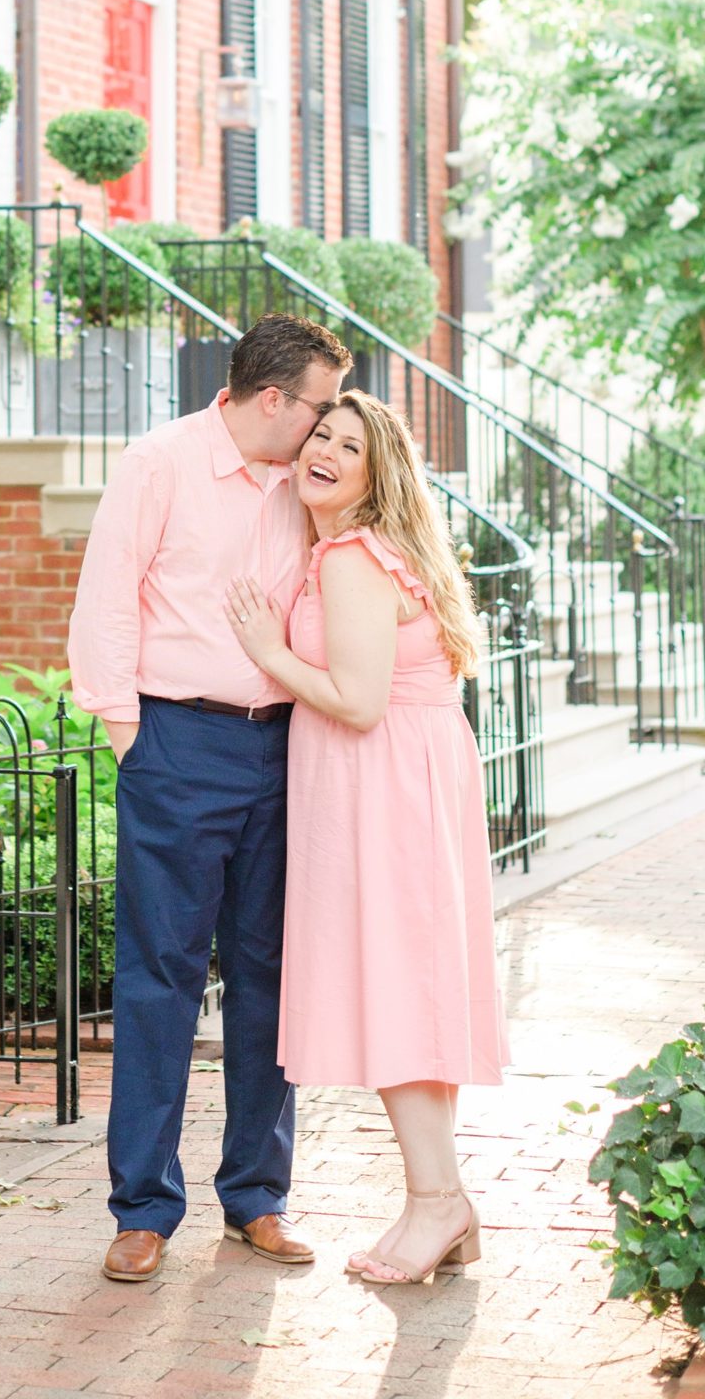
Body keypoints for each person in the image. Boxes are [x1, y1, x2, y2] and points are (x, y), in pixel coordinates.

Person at [68, 313, 353, 1284]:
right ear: (271, 398)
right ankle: (142, 1208)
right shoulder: (158, 464)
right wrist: (126, 734)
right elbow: (104, 597)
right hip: (176, 742)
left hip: (283, 746)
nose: (327, 428)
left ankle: (256, 1198)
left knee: (271, 979)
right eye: (319, 407)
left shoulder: (306, 483)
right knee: (160, 979)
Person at [225, 388, 508, 1286]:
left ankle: (436, 1201)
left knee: (399, 994)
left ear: (375, 477)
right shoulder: (364, 552)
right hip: (407, 779)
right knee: (414, 992)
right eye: (320, 436)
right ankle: (439, 1200)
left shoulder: (349, 558)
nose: (326, 453)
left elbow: (355, 700)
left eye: (349, 447)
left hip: (383, 786)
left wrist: (266, 649)